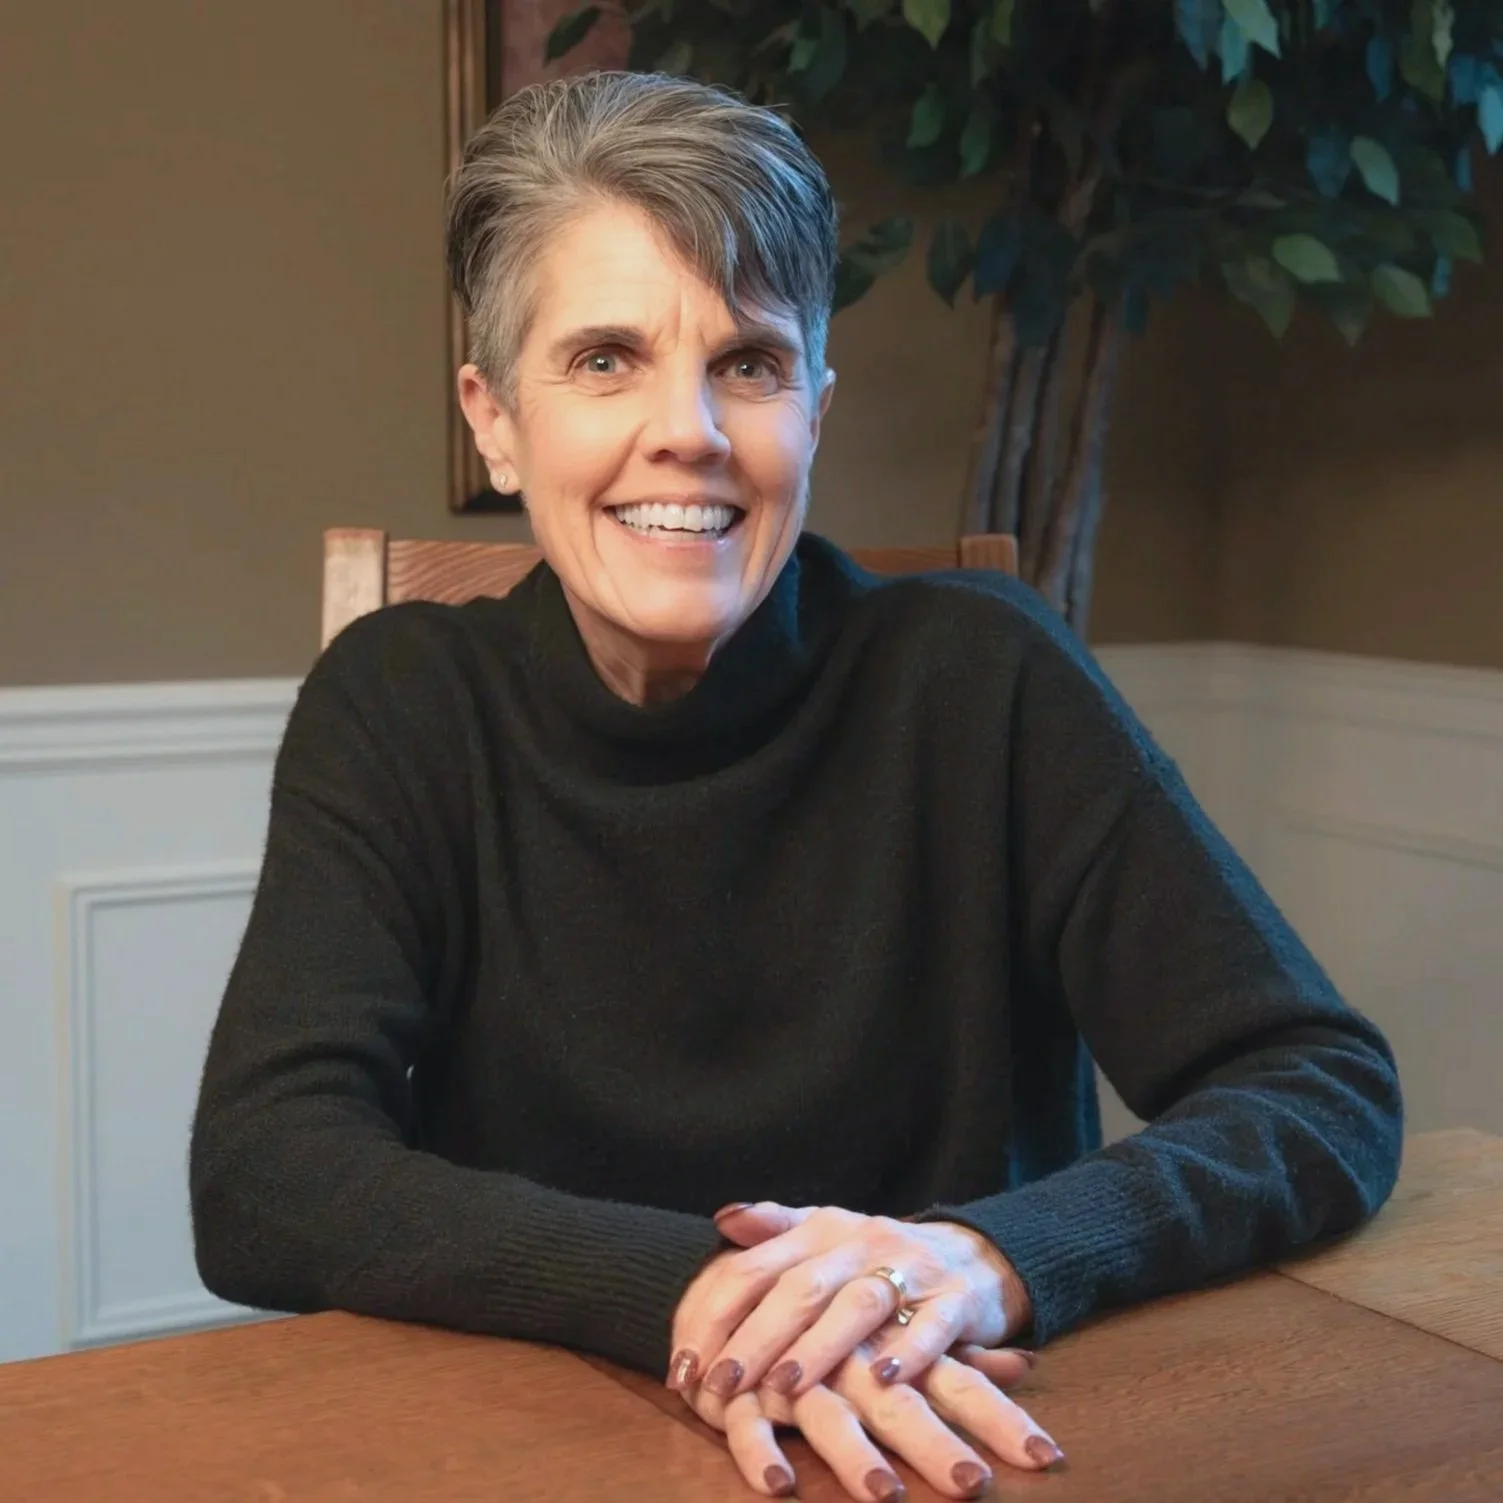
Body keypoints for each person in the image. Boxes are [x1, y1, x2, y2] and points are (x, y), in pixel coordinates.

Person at [189, 70, 1404, 1502]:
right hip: (541, 1447)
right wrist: (701, 1294)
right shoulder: (400, 701)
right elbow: (265, 1170)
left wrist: (984, 1256)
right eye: (604, 358)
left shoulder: (986, 675)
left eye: (750, 363)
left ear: (813, 412)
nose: (690, 430)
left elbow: (1320, 1086)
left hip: (964, 1433)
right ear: (494, 418)